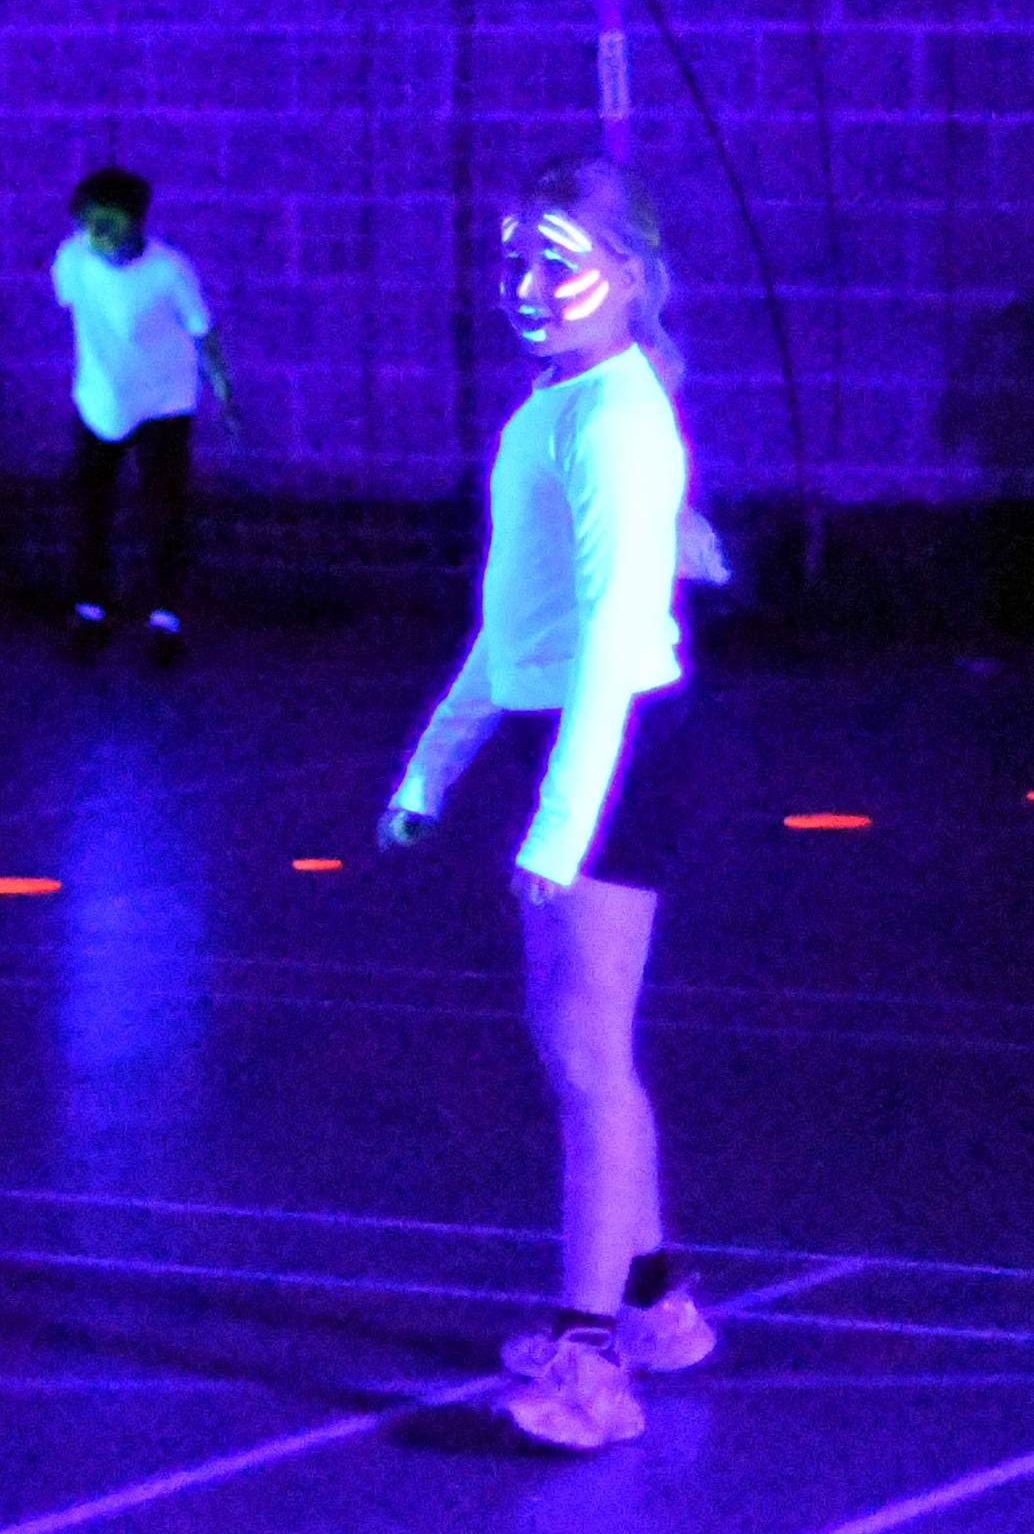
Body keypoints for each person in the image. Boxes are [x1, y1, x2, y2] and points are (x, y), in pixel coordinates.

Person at [379, 155, 716, 1451]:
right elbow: (512, 625)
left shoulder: (616, 423)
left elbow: (611, 637)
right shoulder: (551, 407)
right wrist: (431, 767)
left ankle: (590, 1364)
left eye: (556, 259)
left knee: (583, 1055)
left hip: (614, 748)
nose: (525, 283)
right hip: (561, 739)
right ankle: (654, 1304)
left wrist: (562, 821)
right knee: (581, 1045)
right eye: (512, 257)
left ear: (628, 275)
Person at [51, 166, 236, 658]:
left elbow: (202, 330)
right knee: (90, 506)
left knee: (163, 509)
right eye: (88, 222)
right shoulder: (72, 260)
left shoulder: (168, 271)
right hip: (100, 399)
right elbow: (78, 308)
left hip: (163, 402)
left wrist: (223, 392)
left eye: (108, 223)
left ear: (134, 223)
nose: (96, 234)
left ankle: (165, 615)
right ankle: (90, 606)